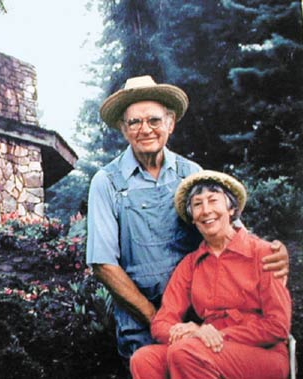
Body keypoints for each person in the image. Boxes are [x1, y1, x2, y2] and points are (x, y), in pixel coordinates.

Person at [85, 75, 289, 361]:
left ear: (170, 123)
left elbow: (231, 231)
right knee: (150, 365)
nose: (145, 129)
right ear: (123, 128)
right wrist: (159, 320)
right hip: (143, 317)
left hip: (202, 313)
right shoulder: (107, 182)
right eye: (134, 122)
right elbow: (103, 264)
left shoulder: (190, 171)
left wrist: (274, 254)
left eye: (154, 120)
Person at [130, 170, 291, 379]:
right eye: (197, 204)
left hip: (263, 354)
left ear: (231, 208)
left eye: (213, 201)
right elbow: (161, 323)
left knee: (185, 352)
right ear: (192, 217)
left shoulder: (264, 253)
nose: (206, 210)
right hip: (206, 347)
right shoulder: (190, 264)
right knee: (144, 359)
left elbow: (277, 326)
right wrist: (194, 332)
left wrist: (218, 335)